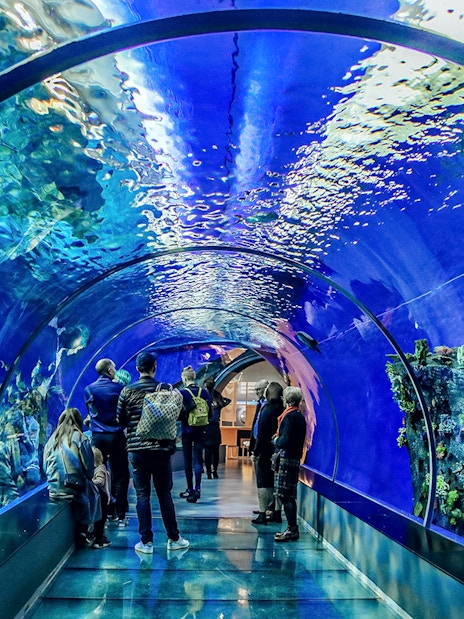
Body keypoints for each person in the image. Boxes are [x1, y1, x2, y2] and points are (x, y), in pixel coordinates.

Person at [117, 351, 189, 554]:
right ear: (154, 367)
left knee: (142, 496)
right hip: (161, 450)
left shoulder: (127, 391)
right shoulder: (166, 391)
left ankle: (146, 542)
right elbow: (180, 415)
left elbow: (120, 420)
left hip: (137, 450)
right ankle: (174, 538)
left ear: (137, 369)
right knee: (165, 495)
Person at [84, 358, 129, 528]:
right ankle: (121, 514)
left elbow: (91, 412)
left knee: (99, 472)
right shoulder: (120, 388)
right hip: (116, 436)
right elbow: (124, 412)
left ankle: (104, 511)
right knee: (121, 474)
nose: (115, 371)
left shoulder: (88, 389)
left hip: (98, 437)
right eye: (114, 368)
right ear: (110, 370)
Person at [43, 408, 96, 547]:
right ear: (79, 421)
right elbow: (89, 470)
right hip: (74, 489)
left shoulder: (51, 440)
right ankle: (87, 530)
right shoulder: (81, 438)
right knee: (95, 490)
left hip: (53, 489)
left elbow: (44, 467)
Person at [274, 386, 307, 542]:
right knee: (286, 495)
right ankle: (291, 528)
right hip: (293, 458)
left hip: (288, 459)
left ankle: (292, 529)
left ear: (287, 399)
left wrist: (276, 440)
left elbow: (286, 440)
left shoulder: (291, 417)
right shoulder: (298, 415)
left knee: (286, 495)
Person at [251, 382, 284, 525]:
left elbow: (262, 433)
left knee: (263, 483)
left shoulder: (267, 410)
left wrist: (256, 451)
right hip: (277, 451)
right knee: (274, 482)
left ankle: (262, 513)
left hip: (264, 451)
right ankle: (276, 512)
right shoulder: (282, 409)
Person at [179, 366, 212, 503]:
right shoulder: (204, 392)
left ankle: (189, 489)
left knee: (188, 460)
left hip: (187, 430)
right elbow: (210, 412)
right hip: (201, 429)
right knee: (198, 460)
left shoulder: (182, 393)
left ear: (184, 378)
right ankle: (198, 488)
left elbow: (179, 414)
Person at [203, 377, 230, 479]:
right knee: (215, 451)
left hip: (206, 425)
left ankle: (208, 472)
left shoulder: (204, 396)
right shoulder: (217, 396)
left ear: (206, 385)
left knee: (207, 451)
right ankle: (215, 470)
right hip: (215, 426)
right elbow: (227, 401)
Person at [92, 447, 111, 549]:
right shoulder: (99, 468)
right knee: (100, 520)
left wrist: (90, 482)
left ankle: (99, 539)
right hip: (100, 499)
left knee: (100, 519)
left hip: (102, 499)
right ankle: (99, 537)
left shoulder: (100, 469)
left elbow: (100, 481)